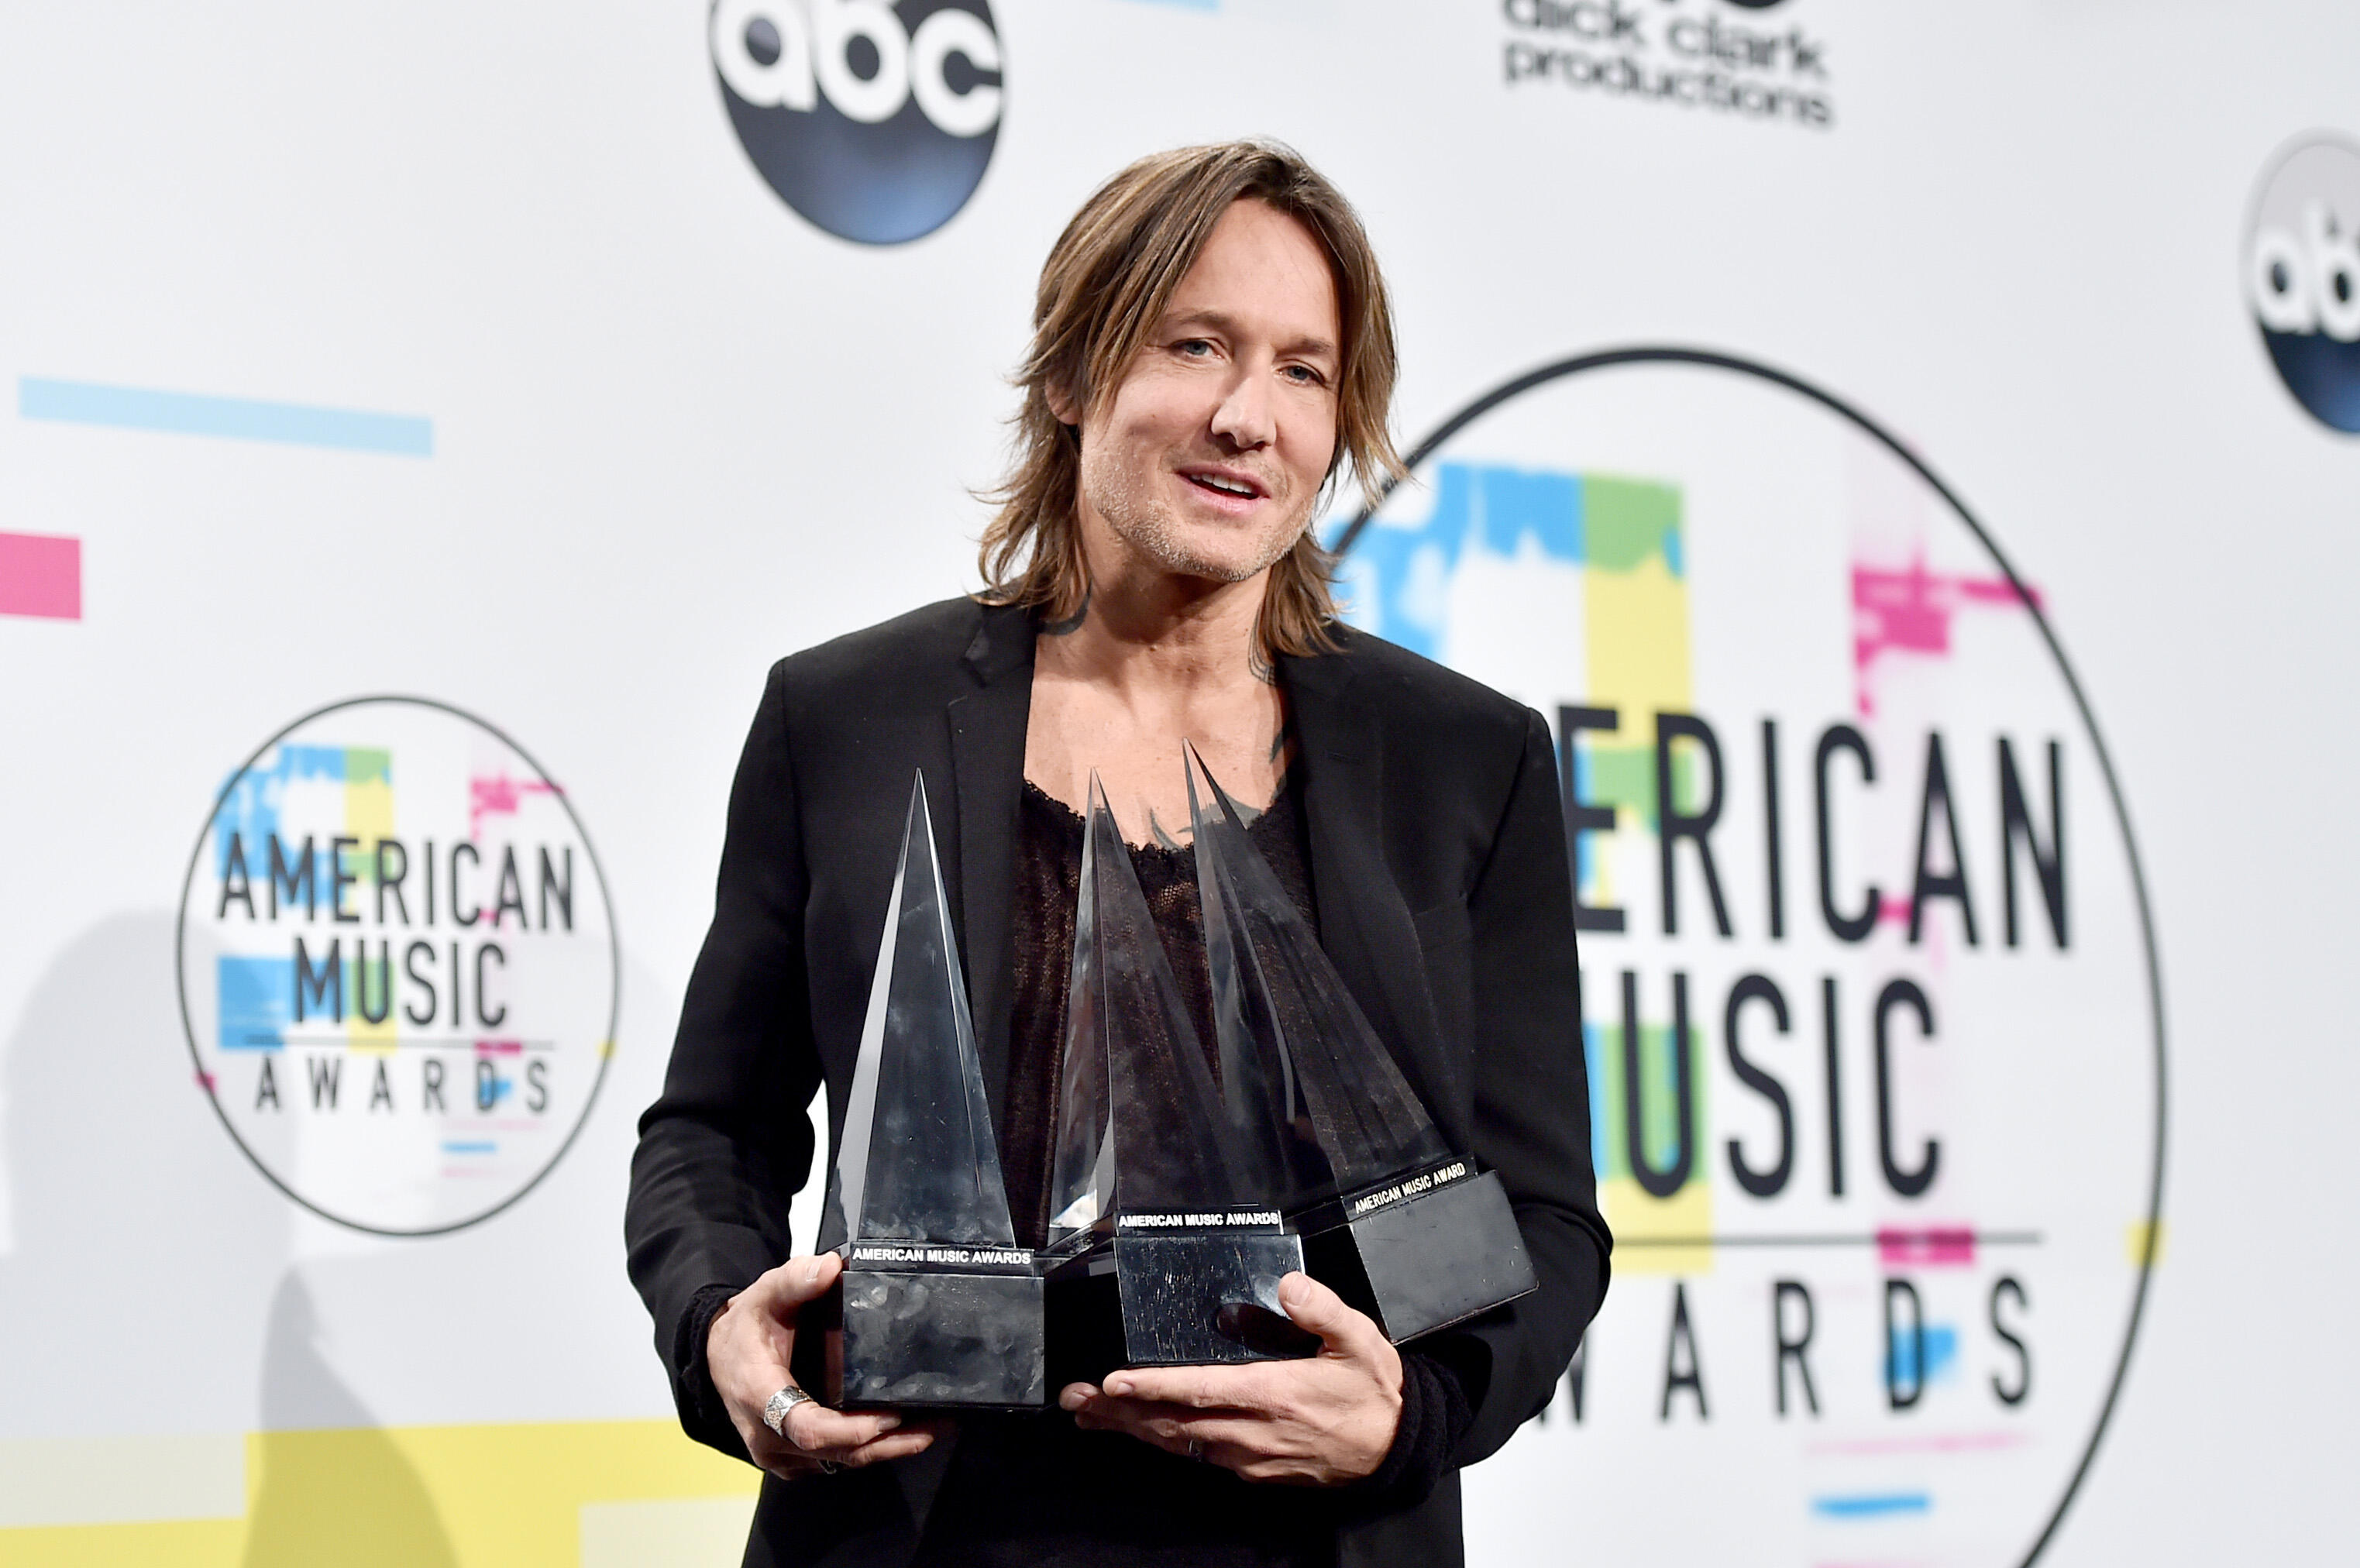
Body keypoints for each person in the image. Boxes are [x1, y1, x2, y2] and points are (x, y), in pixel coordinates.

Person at [626, 140, 1609, 1568]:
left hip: (1313, 1537)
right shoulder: (846, 718)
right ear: (1075, 377)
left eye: (1302, 370)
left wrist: (1414, 1417)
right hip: (914, 1530)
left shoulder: (1464, 758)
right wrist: (724, 1329)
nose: (1243, 415)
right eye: (1194, 343)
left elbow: (1542, 1214)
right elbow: (712, 1130)